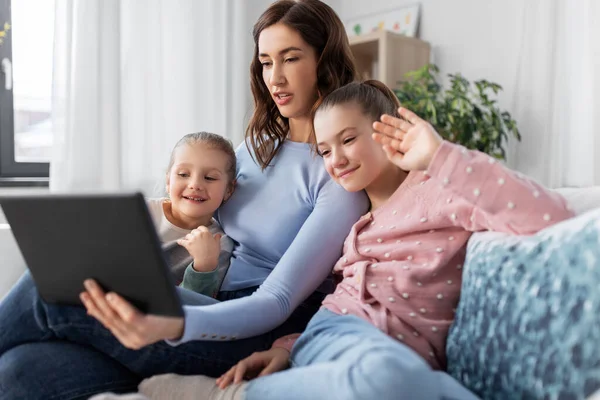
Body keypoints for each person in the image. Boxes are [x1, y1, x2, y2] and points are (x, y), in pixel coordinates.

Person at [0, 1, 368, 399]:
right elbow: (200, 213)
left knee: (49, 286)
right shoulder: (255, 148)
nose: (274, 77)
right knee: (18, 370)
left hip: (249, 327)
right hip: (203, 298)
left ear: (325, 61)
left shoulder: (337, 171)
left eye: (290, 58)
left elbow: (276, 300)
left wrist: (176, 323)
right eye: (265, 62)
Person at [161, 80, 574, 400]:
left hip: (386, 354)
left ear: (387, 130)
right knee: (135, 293)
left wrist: (439, 155)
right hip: (333, 336)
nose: (335, 160)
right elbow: (342, 299)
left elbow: (554, 218)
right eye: (324, 150)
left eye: (348, 139)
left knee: (403, 379)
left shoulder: (441, 187)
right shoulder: (356, 217)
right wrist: (291, 345)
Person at [148, 131, 236, 297]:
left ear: (229, 190)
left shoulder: (218, 244)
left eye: (209, 178)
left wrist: (204, 266)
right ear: (168, 182)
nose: (195, 184)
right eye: (183, 174)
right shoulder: (142, 211)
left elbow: (197, 306)